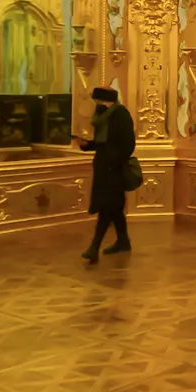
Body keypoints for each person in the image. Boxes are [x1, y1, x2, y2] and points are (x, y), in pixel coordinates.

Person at [75, 86, 135, 263]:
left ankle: (94, 247)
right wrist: (87, 145)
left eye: (97, 101)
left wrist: (114, 160)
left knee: (106, 206)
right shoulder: (104, 118)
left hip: (114, 170)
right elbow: (103, 143)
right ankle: (123, 241)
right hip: (103, 168)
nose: (96, 105)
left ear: (104, 101)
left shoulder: (121, 116)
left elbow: (128, 145)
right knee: (114, 207)